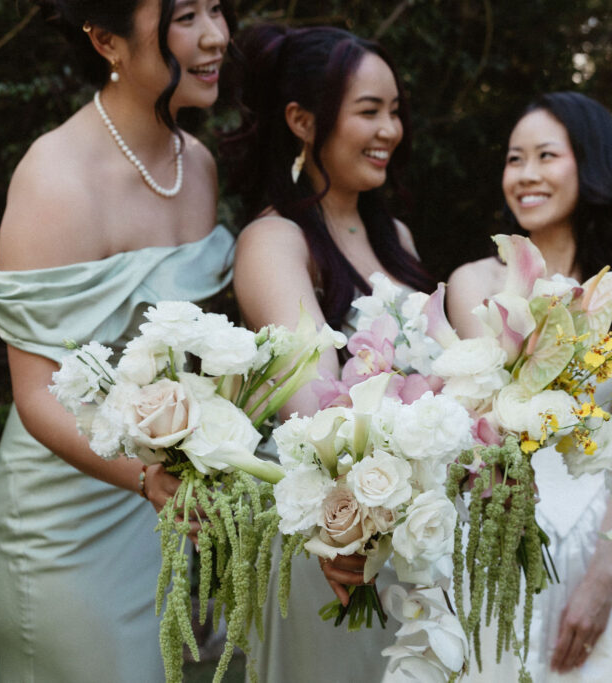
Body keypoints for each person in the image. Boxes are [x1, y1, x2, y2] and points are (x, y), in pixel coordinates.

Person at [0, 1, 234, 681]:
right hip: (61, 521)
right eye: (185, 16)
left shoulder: (199, 165)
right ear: (106, 41)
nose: (216, 36)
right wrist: (150, 479)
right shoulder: (55, 178)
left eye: (218, 8)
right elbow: (36, 396)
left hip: (158, 510)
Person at [445, 91, 612, 681]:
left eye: (546, 155)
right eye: (515, 159)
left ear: (588, 166)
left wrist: (601, 576)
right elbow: (475, 414)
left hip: (608, 533)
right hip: (499, 526)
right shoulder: (472, 284)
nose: (526, 174)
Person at [225, 24, 435, 682]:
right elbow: (313, 405)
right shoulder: (274, 242)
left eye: (395, 111)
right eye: (369, 111)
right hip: (338, 540)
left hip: (419, 529)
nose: (390, 131)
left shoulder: (392, 233)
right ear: (302, 120)